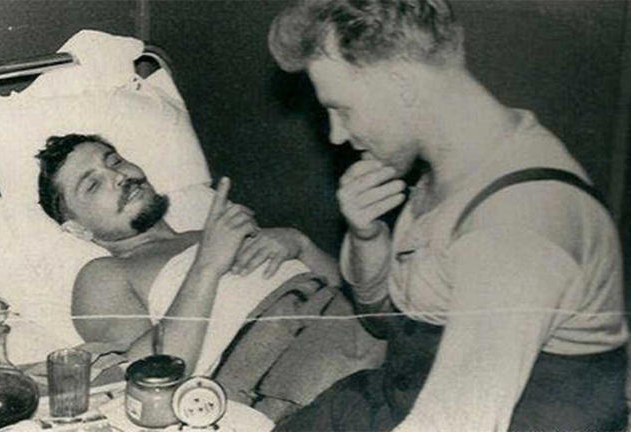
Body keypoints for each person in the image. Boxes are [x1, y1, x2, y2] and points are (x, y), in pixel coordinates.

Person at [268, 0, 628, 431]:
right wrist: (367, 238)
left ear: (402, 86)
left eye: (341, 109)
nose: (336, 134)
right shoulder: (461, 167)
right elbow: (388, 324)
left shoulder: (518, 224)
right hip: (394, 403)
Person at [35, 133, 343, 378]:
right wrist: (207, 265)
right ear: (78, 230)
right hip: (302, 368)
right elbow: (147, 377)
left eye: (115, 161)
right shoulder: (105, 274)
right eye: (92, 184)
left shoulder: (212, 234)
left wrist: (301, 244)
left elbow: (360, 300)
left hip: (348, 329)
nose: (118, 176)